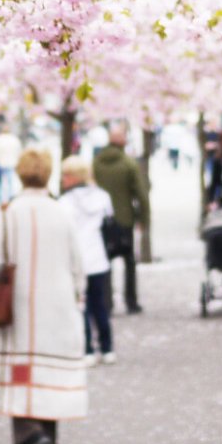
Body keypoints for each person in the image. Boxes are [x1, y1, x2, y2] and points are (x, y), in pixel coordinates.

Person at [0, 148, 88, 444]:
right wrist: (77, 299)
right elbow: (78, 265)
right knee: (50, 377)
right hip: (58, 309)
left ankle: (31, 436)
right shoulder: (62, 212)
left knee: (22, 376)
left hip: (19, 309)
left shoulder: (7, 213)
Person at [58, 158, 117, 366]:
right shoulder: (102, 197)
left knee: (81, 305)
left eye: (66, 175)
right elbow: (109, 224)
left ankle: (87, 349)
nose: (62, 179)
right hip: (98, 257)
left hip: (77, 260)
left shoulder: (64, 203)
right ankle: (107, 347)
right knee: (99, 304)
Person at [90, 125, 150, 314]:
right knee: (129, 262)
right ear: (123, 140)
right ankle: (131, 301)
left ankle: (106, 302)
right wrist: (144, 218)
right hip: (125, 219)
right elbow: (141, 193)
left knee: (104, 261)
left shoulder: (96, 162)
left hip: (102, 220)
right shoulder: (128, 163)